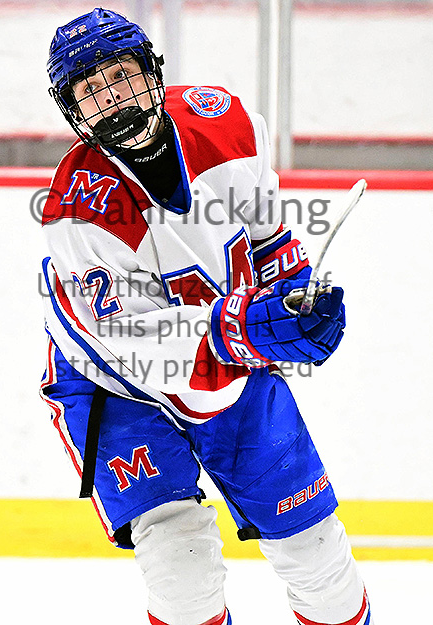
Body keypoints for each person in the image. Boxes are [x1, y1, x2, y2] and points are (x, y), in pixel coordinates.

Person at [40, 7, 373, 625]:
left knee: (316, 553)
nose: (113, 100)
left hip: (231, 367)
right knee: (181, 566)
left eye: (122, 77)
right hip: (117, 388)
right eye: (92, 91)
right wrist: (252, 328)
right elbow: (134, 344)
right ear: (71, 110)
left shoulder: (227, 123)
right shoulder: (76, 209)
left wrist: (296, 305)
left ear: (153, 72)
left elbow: (268, 241)